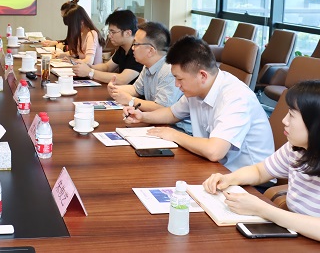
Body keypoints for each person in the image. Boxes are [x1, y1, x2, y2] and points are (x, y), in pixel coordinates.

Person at [123, 36, 273, 171]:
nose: (176, 84)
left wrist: (174, 135)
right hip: (215, 168)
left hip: (248, 180)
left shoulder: (235, 97)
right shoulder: (197, 89)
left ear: (202, 75)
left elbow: (214, 151)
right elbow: (172, 113)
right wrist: (142, 117)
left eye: (180, 79)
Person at [202, 80, 320, 242]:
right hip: (296, 234)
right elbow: (259, 171)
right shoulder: (296, 148)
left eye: (292, 115)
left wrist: (262, 209)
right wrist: (229, 178)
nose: (284, 120)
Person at [108, 21, 189, 134]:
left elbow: (162, 108)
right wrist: (116, 90)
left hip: (177, 129)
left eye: (136, 44)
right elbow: (136, 89)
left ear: (150, 50)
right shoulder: (148, 65)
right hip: (157, 124)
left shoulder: (169, 70)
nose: (132, 48)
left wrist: (130, 100)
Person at [73, 9, 142, 84]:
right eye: (109, 32)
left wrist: (90, 72)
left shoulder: (139, 50)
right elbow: (107, 67)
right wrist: (88, 67)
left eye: (113, 32)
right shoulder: (122, 48)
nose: (109, 36)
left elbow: (122, 79)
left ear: (128, 33)